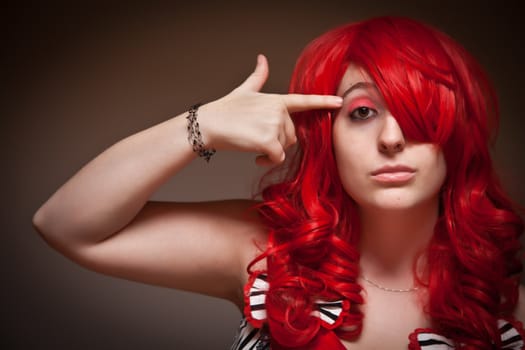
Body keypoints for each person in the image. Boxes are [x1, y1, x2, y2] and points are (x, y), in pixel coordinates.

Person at [32, 16, 525, 349]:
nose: (393, 138)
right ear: (325, 136)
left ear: (458, 134)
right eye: (362, 111)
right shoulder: (265, 252)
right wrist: (203, 125)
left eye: (421, 110)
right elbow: (65, 224)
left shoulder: (509, 298)